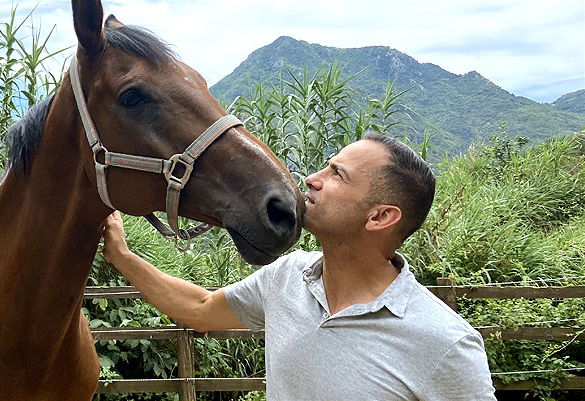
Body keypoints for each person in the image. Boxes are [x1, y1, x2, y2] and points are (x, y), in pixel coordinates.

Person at [101, 131, 496, 400]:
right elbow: (200, 309)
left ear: (380, 217)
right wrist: (121, 255)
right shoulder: (288, 276)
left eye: (337, 175)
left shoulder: (445, 344)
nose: (311, 178)